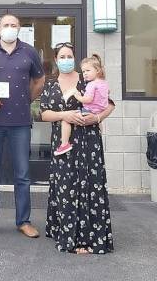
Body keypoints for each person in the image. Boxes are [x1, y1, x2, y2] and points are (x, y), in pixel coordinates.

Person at [0, 14, 46, 239]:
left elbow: (39, 80)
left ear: (19, 28)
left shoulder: (29, 52)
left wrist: (27, 99)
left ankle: (23, 221)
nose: (10, 28)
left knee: (22, 174)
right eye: (6, 25)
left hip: (20, 122)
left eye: (14, 25)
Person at [40, 42, 114, 254]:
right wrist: (64, 115)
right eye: (62, 56)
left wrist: (97, 117)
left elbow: (109, 104)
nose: (66, 60)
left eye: (69, 56)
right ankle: (67, 234)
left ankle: (89, 238)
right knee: (66, 184)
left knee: (90, 185)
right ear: (56, 60)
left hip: (88, 141)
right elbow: (44, 113)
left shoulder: (88, 78)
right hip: (63, 143)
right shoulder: (51, 84)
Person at [55, 55, 109, 156]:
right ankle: (100, 130)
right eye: (83, 71)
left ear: (97, 70)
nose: (85, 74)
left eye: (88, 71)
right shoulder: (104, 83)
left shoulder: (91, 84)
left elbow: (88, 99)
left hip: (89, 111)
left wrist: (77, 96)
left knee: (66, 119)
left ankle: (64, 144)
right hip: (99, 112)